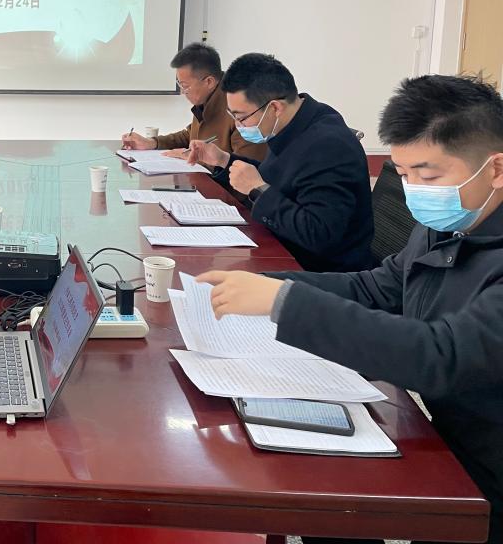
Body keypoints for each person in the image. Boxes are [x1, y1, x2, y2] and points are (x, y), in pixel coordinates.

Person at [199, 74, 503, 544]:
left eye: (427, 176)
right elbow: (377, 286)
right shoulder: (449, 222)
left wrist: (285, 303)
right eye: (403, 174)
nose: (414, 190)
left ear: (495, 169)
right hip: (446, 433)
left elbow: (444, 356)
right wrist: (269, 284)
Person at [186, 53, 374, 272]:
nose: (238, 125)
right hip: (281, 245)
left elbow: (318, 234)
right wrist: (223, 160)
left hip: (318, 271)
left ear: (275, 107)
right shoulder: (297, 122)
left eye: (242, 117)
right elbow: (278, 178)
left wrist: (258, 189)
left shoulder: (328, 146)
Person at [121, 43, 267, 164]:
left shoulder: (239, 109)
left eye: (185, 86)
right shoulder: (207, 99)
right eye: (179, 84)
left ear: (209, 82)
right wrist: (152, 143)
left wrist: (194, 158)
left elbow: (245, 169)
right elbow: (191, 136)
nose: (183, 91)